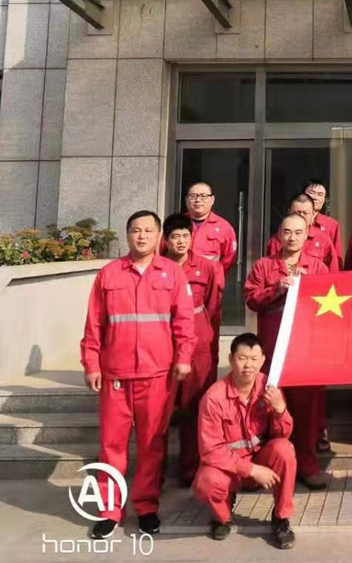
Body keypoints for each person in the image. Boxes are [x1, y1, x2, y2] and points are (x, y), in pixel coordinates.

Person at [80, 210, 195, 539]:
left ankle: (146, 508)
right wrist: (91, 363)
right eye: (135, 230)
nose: (141, 236)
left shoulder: (172, 274)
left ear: (159, 237)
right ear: (127, 235)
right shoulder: (109, 274)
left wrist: (183, 357)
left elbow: (184, 321)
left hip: (157, 375)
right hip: (116, 375)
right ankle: (109, 511)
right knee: (111, 446)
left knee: (151, 446)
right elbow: (94, 324)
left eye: (148, 230)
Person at [244, 213, 329, 490]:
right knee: (271, 408)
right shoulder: (264, 266)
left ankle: (307, 464)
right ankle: (273, 465)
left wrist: (309, 287)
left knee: (306, 411)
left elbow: (330, 307)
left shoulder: (318, 267)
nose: (292, 237)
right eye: (287, 232)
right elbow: (251, 299)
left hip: (305, 351)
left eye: (298, 232)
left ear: (307, 235)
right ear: (279, 235)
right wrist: (276, 288)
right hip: (272, 353)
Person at [193, 333, 297, 548]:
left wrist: (280, 409)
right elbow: (211, 451)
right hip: (231, 468)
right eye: (242, 358)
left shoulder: (270, 388)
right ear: (231, 359)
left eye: (254, 359)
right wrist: (251, 470)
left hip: (261, 460)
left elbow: (283, 435)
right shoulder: (214, 397)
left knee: (285, 450)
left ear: (263, 360)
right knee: (207, 481)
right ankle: (222, 518)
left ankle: (281, 518)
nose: (248, 365)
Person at [161, 213, 220, 485]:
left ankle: (190, 468)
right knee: (160, 412)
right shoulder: (157, 266)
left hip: (197, 344)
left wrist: (210, 345)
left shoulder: (206, 267)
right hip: (163, 343)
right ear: (166, 239)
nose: (181, 241)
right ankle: (156, 470)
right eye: (175, 237)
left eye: (186, 235)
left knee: (193, 408)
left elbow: (213, 307)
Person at [184, 182, 238, 373]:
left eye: (203, 196)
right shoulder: (178, 225)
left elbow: (228, 259)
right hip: (181, 290)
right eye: (193, 196)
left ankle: (206, 380)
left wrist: (213, 276)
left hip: (210, 293)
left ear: (212, 200)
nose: (198, 200)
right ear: (186, 200)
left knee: (208, 338)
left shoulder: (223, 228)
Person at [266, 193, 339, 272]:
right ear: (289, 212)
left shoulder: (323, 240)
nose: (301, 216)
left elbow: (333, 273)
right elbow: (269, 269)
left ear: (313, 215)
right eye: (297, 212)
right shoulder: (278, 239)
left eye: (305, 213)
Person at [304, 179, 342, 265]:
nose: (315, 197)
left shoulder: (331, 225)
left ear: (324, 200)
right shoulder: (291, 222)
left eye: (320, 194)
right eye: (312, 193)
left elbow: (336, 259)